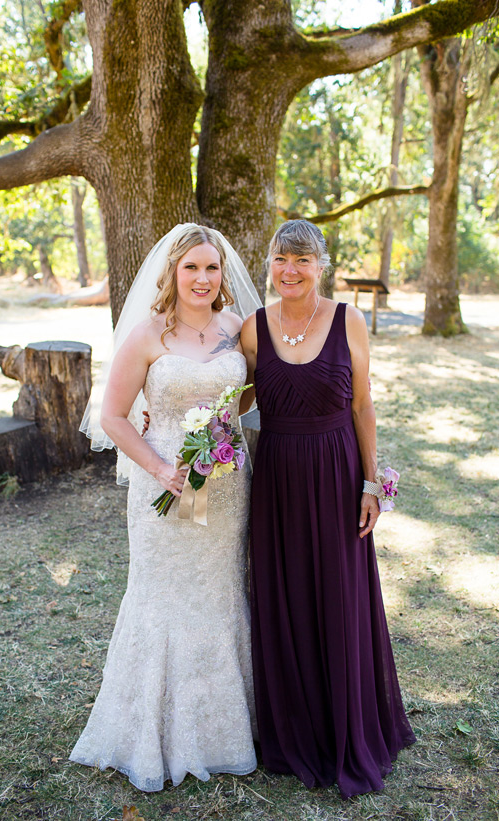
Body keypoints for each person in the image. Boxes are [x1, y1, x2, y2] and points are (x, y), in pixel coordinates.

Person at [71, 223, 263, 790]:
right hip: (164, 486)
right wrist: (160, 468)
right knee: (162, 594)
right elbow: (111, 417)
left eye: (211, 268)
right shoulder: (148, 334)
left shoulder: (237, 330)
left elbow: (247, 391)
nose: (202, 279)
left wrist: (222, 429)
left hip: (226, 486)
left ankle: (222, 729)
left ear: (222, 274)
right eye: (191, 268)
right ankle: (150, 732)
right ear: (172, 273)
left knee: (220, 590)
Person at [239, 219, 415, 798]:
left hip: (338, 475)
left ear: (322, 265)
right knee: (287, 595)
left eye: (302, 260)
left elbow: (363, 405)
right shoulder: (252, 329)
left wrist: (371, 482)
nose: (290, 271)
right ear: (270, 264)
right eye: (280, 260)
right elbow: (226, 398)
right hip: (279, 480)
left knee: (338, 596)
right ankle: (296, 730)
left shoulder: (348, 321)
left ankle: (346, 727)